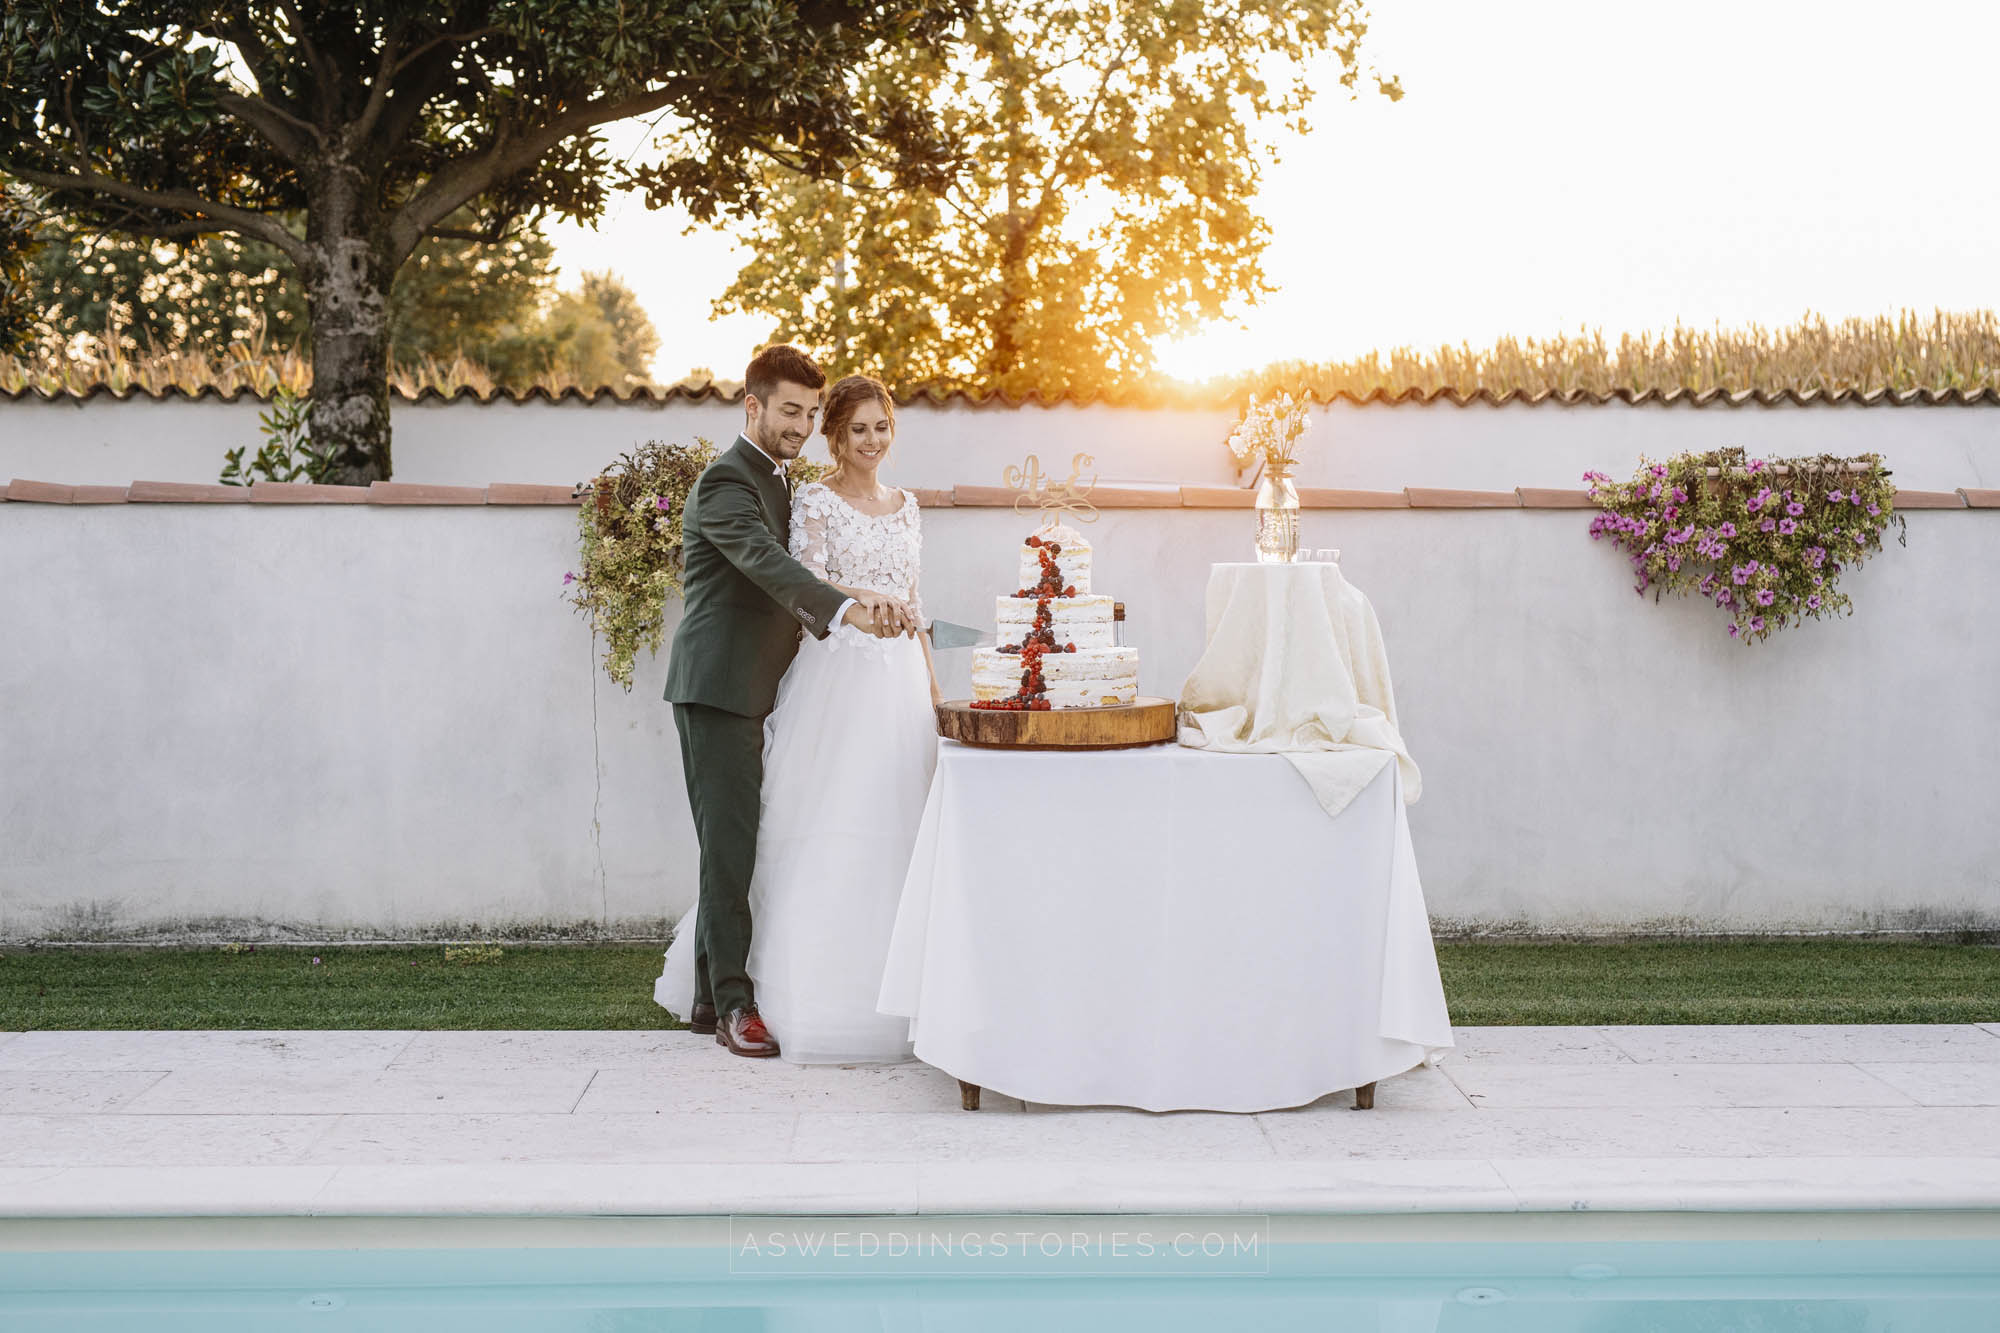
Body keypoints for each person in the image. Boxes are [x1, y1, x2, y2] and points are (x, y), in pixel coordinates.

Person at [657, 371, 941, 1064]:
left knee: (740, 841)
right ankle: (734, 1006)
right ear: (753, 405)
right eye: (791, 411)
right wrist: (851, 607)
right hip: (721, 685)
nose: (801, 425)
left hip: (776, 683)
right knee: (732, 847)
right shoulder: (729, 481)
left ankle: (708, 994)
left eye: (810, 413)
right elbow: (769, 564)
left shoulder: (781, 481)